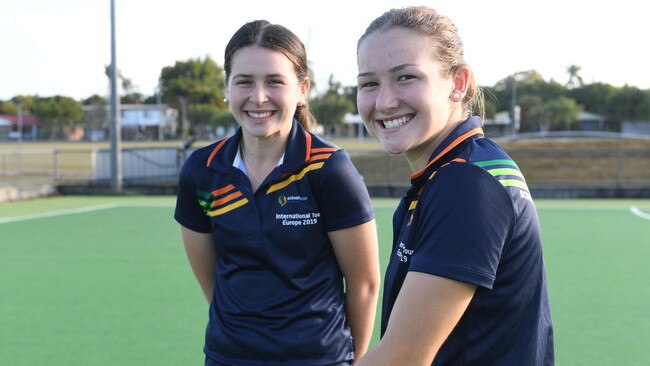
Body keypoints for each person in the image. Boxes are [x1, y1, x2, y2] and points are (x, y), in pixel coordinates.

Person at [354, 6, 554, 365]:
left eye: (405, 78)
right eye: (370, 83)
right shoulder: (450, 173)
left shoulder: (466, 183)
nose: (384, 102)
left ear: (458, 83)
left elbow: (402, 358)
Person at [174, 20, 380, 365]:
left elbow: (364, 285)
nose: (258, 97)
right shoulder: (201, 171)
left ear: (302, 89)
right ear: (227, 87)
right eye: (244, 82)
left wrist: (352, 359)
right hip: (229, 358)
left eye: (274, 81)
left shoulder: (329, 169)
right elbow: (211, 281)